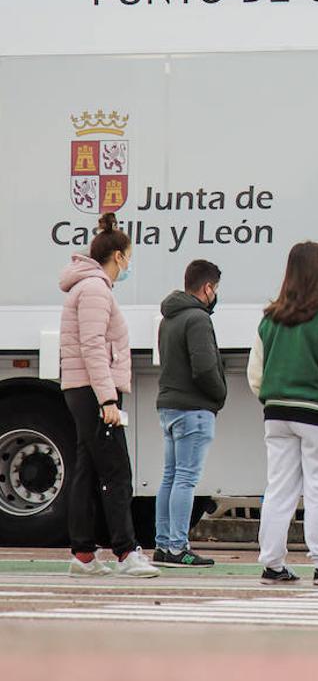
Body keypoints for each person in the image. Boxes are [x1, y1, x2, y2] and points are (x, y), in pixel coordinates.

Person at [249, 241, 318, 586]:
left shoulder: (270, 318)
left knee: (279, 487)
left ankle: (272, 563)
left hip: (277, 413)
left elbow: (256, 376)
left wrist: (275, 398)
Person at [60, 212, 159, 578]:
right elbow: (93, 346)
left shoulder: (87, 288)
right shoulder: (96, 290)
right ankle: (126, 552)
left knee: (87, 471)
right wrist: (108, 400)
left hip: (82, 388)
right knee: (117, 470)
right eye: (128, 256)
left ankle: (84, 555)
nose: (129, 263)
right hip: (93, 391)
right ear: (118, 256)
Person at [154, 259, 225, 568]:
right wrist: (220, 394)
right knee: (185, 478)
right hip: (193, 408)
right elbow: (205, 367)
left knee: (170, 477)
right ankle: (178, 546)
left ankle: (162, 544)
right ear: (207, 288)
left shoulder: (168, 317)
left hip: (169, 406)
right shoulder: (198, 319)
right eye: (216, 289)